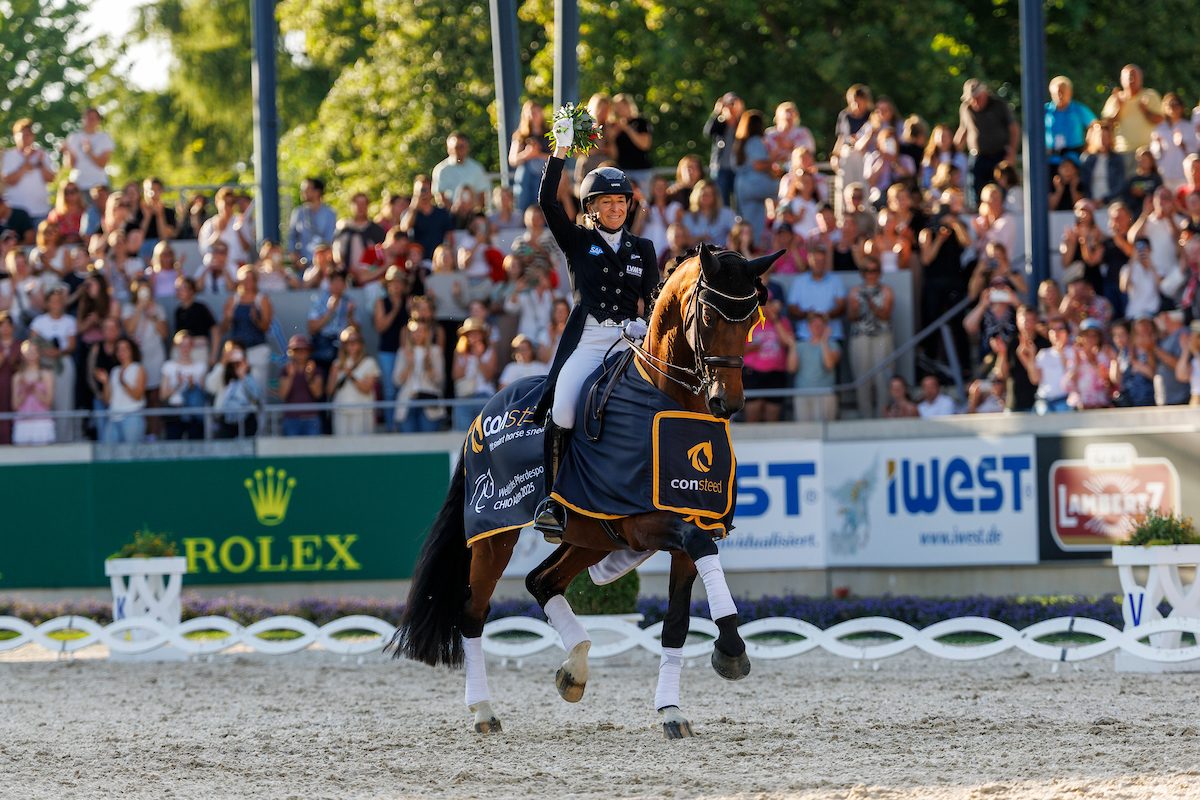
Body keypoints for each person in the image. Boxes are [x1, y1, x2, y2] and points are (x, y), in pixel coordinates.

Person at [531, 125, 660, 532]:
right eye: (608, 202)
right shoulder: (577, 241)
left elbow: (654, 296)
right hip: (589, 338)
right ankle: (553, 502)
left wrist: (645, 323)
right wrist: (561, 150)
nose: (617, 209)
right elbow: (547, 201)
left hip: (631, 339)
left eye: (621, 202)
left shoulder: (644, 249)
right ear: (592, 208)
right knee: (565, 408)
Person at [955, 80, 1018, 207]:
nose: (975, 102)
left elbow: (1014, 129)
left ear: (984, 93)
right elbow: (963, 129)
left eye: (977, 98)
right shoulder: (966, 108)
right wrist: (953, 153)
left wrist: (1012, 152)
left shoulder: (999, 105)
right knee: (975, 187)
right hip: (978, 155)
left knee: (1002, 188)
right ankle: (978, 212)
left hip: (999, 155)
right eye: (972, 99)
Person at [847, 254, 894, 418]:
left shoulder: (886, 290)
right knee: (862, 378)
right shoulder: (854, 291)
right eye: (867, 270)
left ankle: (883, 414)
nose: (871, 274)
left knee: (883, 378)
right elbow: (851, 317)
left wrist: (872, 305)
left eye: (874, 270)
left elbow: (886, 315)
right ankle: (865, 416)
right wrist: (855, 309)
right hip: (860, 336)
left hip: (881, 336)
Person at [29, 285, 77, 441]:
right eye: (53, 301)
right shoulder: (39, 321)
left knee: (64, 402)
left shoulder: (69, 321)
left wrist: (59, 352)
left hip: (62, 364)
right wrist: (45, 353)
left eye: (59, 301)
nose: (56, 304)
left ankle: (64, 439)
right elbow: (33, 343)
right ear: (47, 303)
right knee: (43, 402)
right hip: (43, 364)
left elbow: (71, 344)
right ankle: (44, 438)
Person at [1101, 64, 1163, 174]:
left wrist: (1145, 111)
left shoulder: (1150, 95)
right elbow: (1106, 125)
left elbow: (1160, 120)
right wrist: (1119, 109)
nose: (1132, 79)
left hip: (1147, 152)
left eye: (1135, 76)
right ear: (1121, 79)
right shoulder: (1115, 99)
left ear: (1141, 79)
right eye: (1129, 76)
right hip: (1122, 151)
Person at [742, 296, 795, 423]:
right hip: (753, 372)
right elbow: (736, 350)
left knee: (773, 415)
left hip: (776, 372)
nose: (766, 306)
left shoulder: (783, 322)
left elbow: (787, 343)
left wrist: (775, 320)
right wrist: (752, 348)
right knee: (753, 413)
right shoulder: (748, 322)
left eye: (769, 303)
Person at [221, 266, 273, 390]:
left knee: (258, 387)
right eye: (245, 279)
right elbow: (223, 328)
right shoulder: (232, 300)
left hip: (257, 349)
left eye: (251, 279)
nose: (248, 283)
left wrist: (256, 320)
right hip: (237, 353)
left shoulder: (262, 300)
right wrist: (228, 318)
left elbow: (266, 327)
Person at [393, 319, 445, 433]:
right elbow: (397, 381)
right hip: (407, 400)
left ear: (427, 333)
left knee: (429, 442)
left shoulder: (435, 351)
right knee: (408, 444)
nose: (418, 334)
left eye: (422, 331)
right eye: (415, 331)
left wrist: (428, 365)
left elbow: (439, 380)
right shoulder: (402, 352)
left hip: (429, 400)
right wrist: (409, 365)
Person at [327, 325, 379, 436]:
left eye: (355, 341)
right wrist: (334, 374)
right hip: (341, 410)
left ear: (361, 344)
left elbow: (366, 389)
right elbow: (329, 391)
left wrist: (350, 374)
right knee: (341, 447)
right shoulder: (337, 364)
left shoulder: (369, 362)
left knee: (361, 446)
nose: (351, 345)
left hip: (361, 412)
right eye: (347, 342)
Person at [787, 245, 846, 342]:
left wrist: (826, 316)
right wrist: (808, 315)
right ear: (809, 260)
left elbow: (842, 306)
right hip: (805, 336)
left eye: (822, 260)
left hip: (831, 336)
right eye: (816, 260)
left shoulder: (836, 280)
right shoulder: (799, 281)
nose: (819, 264)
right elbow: (792, 308)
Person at [2, 119, 56, 225]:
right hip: (16, 212)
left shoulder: (42, 154)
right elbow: (9, 180)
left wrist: (41, 164)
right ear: (15, 136)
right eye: (23, 134)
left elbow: (51, 179)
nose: (26, 138)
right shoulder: (9, 155)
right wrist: (25, 164)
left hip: (41, 211)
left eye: (29, 134)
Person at [96, 337, 146, 443]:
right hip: (113, 417)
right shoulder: (114, 371)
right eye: (118, 349)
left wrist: (124, 383)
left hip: (132, 417)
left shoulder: (138, 368)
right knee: (108, 453)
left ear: (132, 351)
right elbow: (107, 401)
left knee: (131, 454)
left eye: (125, 349)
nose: (121, 352)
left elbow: (138, 396)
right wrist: (105, 383)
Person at [792, 313, 840, 422]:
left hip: (825, 394)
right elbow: (791, 368)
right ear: (808, 327)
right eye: (814, 325)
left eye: (820, 325)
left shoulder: (833, 345)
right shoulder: (800, 346)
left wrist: (823, 341)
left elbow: (829, 365)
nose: (817, 328)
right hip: (802, 394)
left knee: (824, 433)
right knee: (803, 433)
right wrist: (792, 346)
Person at [159, 331, 207, 440]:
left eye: (188, 345)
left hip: (193, 414)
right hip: (174, 412)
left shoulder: (200, 366)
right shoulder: (168, 366)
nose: (185, 348)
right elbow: (162, 395)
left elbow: (203, 394)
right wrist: (178, 384)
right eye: (182, 345)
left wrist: (192, 385)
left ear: (192, 347)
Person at [1045, 76, 1096, 177]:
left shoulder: (1078, 109)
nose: (1059, 95)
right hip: (1052, 158)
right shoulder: (1045, 111)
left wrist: (1088, 145)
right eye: (1056, 92)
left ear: (1070, 93)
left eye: (1063, 92)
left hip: (1074, 158)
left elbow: (1095, 126)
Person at [306, 270, 356, 375]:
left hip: (343, 347)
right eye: (335, 281)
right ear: (330, 283)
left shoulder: (350, 302)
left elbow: (357, 331)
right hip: (322, 345)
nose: (338, 285)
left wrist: (350, 315)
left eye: (341, 282)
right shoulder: (320, 301)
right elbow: (312, 328)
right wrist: (330, 312)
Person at [277, 334, 324, 437]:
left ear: (309, 351)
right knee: (292, 451)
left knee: (313, 451)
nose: (301, 353)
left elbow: (318, 394)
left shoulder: (316, 370)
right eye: (297, 350)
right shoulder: (285, 370)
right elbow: (282, 395)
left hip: (311, 418)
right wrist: (290, 376)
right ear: (291, 352)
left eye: (304, 349)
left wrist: (309, 377)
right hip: (291, 418)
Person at [402, 175, 456, 261]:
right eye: (420, 190)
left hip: (437, 260)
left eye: (426, 190)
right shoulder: (410, 213)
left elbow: (449, 236)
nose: (423, 193)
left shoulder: (442, 213)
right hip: (417, 261)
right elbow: (404, 228)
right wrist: (413, 207)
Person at [11, 339, 55, 445]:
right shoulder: (17, 377)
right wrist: (25, 392)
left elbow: (49, 402)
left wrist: (35, 390)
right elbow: (15, 405)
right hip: (23, 423)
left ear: (39, 354)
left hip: (42, 422)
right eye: (28, 352)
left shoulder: (46, 375)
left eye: (34, 351)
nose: (31, 355)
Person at [61, 107, 114, 195]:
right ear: (83, 119)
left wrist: (89, 152)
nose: (91, 120)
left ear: (98, 120)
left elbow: (102, 164)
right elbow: (70, 166)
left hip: (99, 185)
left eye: (93, 118)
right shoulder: (73, 137)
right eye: (88, 117)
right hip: (78, 185)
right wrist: (67, 151)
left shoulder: (104, 138)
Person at [703, 92, 743, 206]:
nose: (731, 106)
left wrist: (738, 114)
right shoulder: (721, 122)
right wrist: (716, 113)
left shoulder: (742, 123)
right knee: (721, 201)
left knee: (739, 201)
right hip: (721, 168)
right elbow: (708, 132)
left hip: (738, 168)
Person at [509, 101, 550, 212]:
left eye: (537, 112)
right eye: (532, 112)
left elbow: (557, 157)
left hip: (543, 174)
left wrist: (538, 155)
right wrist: (527, 154)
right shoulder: (520, 135)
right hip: (526, 179)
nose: (534, 115)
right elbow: (513, 159)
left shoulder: (550, 133)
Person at [1150, 94, 1197, 192]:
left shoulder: (1189, 127)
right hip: (1164, 173)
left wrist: (1182, 145)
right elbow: (1155, 153)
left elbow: (1194, 152)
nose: (1173, 108)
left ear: (1181, 107)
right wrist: (1158, 144)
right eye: (1169, 105)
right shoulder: (1160, 128)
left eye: (1176, 104)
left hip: (1183, 173)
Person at [287, 177, 337, 265]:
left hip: (322, 264)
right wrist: (294, 257)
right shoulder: (298, 212)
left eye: (306, 190)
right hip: (301, 264)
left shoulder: (329, 214)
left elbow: (330, 239)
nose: (303, 193)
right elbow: (292, 237)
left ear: (317, 192)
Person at [1065, 319, 1112, 410]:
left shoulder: (1104, 356)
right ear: (1080, 337)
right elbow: (1067, 385)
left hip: (1100, 405)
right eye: (1086, 335)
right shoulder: (1074, 356)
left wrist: (1095, 363)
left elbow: (1107, 383)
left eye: (1094, 336)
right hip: (1079, 407)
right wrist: (1077, 365)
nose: (1090, 339)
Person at [213, 348, 261, 438]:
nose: (237, 366)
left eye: (240, 363)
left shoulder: (251, 376)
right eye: (234, 364)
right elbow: (210, 386)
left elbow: (256, 395)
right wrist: (222, 364)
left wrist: (244, 377)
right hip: (226, 419)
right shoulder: (223, 376)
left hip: (246, 420)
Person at [199, 187, 252, 268]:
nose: (229, 206)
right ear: (217, 203)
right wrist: (218, 232)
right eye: (226, 202)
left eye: (232, 203)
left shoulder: (240, 221)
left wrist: (239, 230)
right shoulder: (209, 224)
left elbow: (247, 249)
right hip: (217, 268)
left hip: (237, 266)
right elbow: (204, 249)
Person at [334, 192, 386, 273]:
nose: (360, 207)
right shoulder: (343, 227)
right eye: (357, 204)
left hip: (370, 274)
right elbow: (336, 250)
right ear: (351, 206)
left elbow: (380, 254)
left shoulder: (376, 230)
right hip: (346, 273)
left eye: (363, 204)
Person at [1079, 121, 1126, 205]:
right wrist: (1091, 200)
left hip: (1112, 202)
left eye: (1106, 137)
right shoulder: (1086, 158)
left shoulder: (1117, 159)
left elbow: (1120, 184)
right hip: (1091, 202)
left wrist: (1104, 200)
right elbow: (1083, 184)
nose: (1103, 140)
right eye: (1100, 136)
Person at [682, 179, 735, 247]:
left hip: (721, 255)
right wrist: (700, 238)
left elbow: (736, 233)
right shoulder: (687, 217)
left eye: (710, 194)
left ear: (715, 196)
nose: (706, 197)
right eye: (703, 194)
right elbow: (684, 242)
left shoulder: (726, 214)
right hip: (695, 255)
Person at [765, 102, 815, 171]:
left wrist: (792, 145)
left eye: (791, 114)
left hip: (797, 171)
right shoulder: (770, 134)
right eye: (786, 115)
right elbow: (763, 156)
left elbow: (809, 152)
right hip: (773, 172)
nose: (788, 117)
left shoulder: (803, 132)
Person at [0, 312, 18, 444]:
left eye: (8, 325)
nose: (5, 328)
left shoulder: (20, 345)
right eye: (2, 325)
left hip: (16, 386)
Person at [1175, 320, 1200, 406]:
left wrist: (1195, 352)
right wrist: (1186, 350)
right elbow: (1181, 376)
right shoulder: (1193, 359)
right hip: (1195, 402)